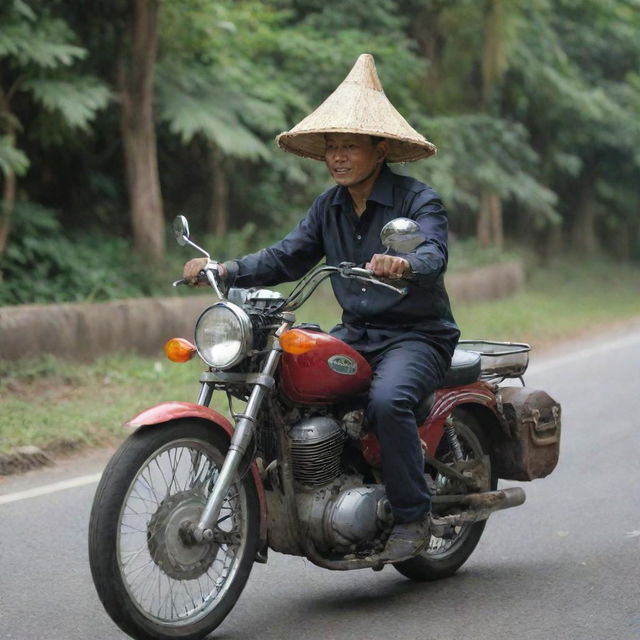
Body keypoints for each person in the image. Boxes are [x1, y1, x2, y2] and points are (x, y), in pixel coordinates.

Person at [183, 53, 460, 563]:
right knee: (293, 379)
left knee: (387, 401)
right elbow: (286, 256)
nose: (337, 156)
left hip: (417, 335)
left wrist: (407, 264)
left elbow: (433, 252)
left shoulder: (418, 200)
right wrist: (226, 270)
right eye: (331, 146)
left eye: (349, 145)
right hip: (357, 331)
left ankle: (412, 515)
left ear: (380, 149)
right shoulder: (328, 206)